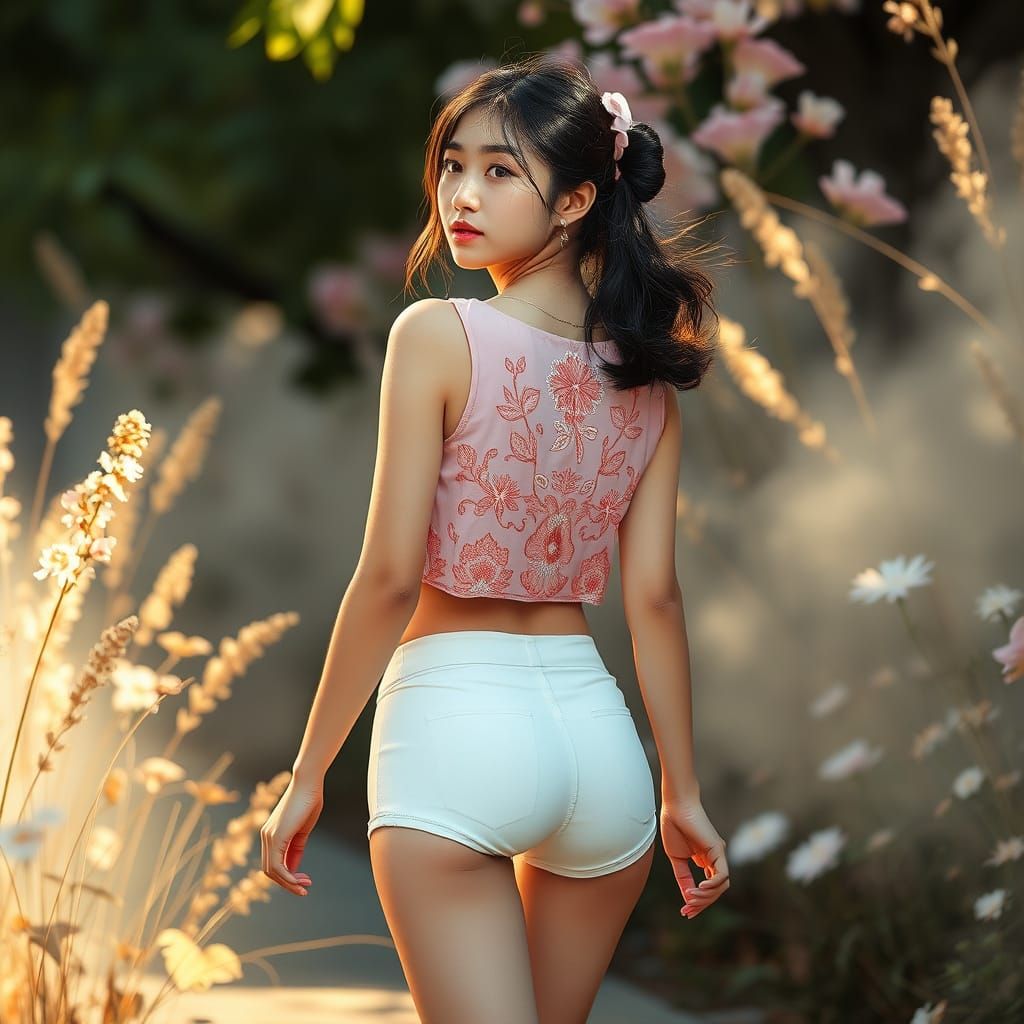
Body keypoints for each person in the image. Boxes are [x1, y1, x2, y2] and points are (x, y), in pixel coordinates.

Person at [261, 52, 729, 1024]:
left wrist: (308, 773)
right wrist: (681, 792)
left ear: (575, 201)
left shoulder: (436, 334)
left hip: (454, 727)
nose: (462, 195)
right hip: (601, 753)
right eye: (452, 166)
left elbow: (389, 578)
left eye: (500, 171)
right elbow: (653, 599)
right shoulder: (645, 379)